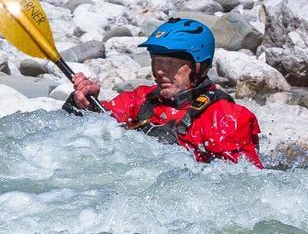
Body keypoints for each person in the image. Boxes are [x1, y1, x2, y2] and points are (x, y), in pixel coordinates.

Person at [66, 18, 263, 167]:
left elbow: (242, 188)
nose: (160, 71)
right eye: (157, 61)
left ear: (199, 66)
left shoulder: (226, 119)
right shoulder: (142, 99)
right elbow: (77, 131)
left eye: (172, 64)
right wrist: (84, 104)